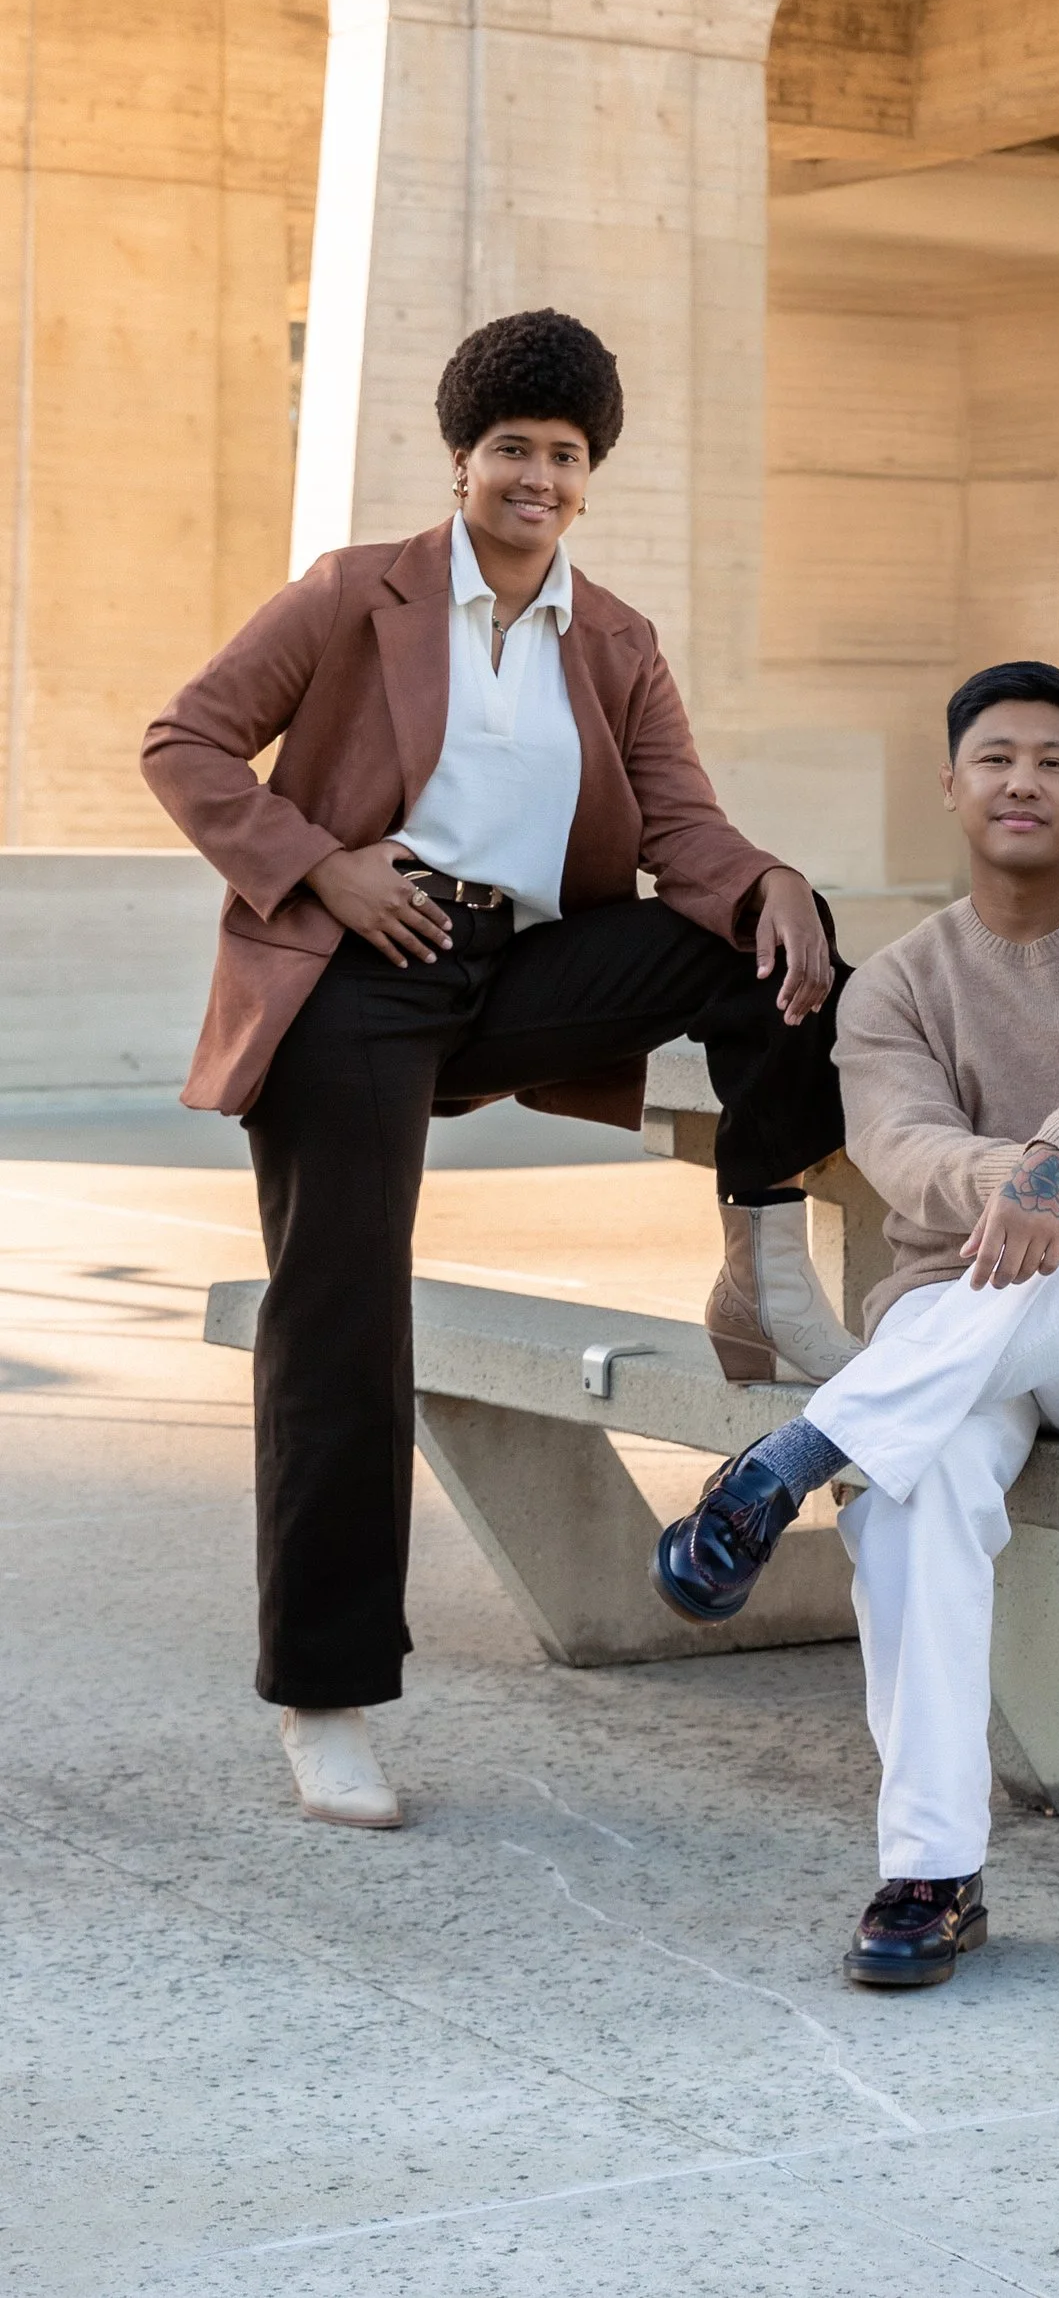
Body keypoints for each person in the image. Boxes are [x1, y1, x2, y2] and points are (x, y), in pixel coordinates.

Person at [142, 307, 851, 1833]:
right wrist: (322, 866)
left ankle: (763, 1260)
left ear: (591, 476)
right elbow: (186, 741)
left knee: (775, 936)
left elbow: (684, 831)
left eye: (566, 454)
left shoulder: (617, 640)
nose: (539, 475)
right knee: (343, 1315)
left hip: (518, 964)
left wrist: (776, 876)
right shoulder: (356, 592)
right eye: (513, 448)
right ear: (463, 460)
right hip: (355, 968)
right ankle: (327, 1698)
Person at [651, 659, 1059, 1990]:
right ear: (952, 785)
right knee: (911, 1496)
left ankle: (793, 1455)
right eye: (996, 758)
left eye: (1055, 761)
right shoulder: (898, 982)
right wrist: (1023, 1182)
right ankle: (932, 1874)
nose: (1025, 780)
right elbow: (900, 1146)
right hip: (962, 1344)